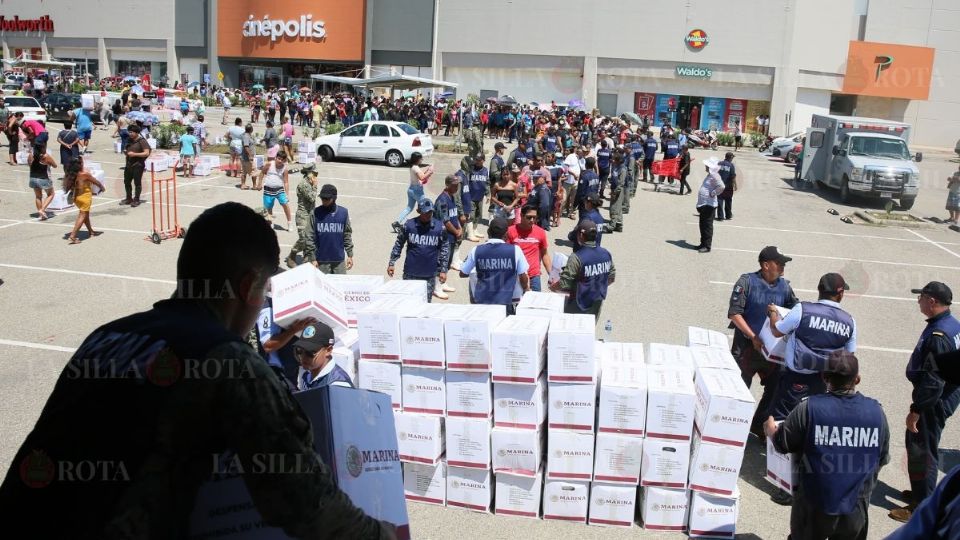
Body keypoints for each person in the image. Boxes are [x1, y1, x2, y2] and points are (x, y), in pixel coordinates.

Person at [0, 202, 396, 539]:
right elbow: (303, 500)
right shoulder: (227, 361)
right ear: (246, 288)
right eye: (263, 293)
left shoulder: (107, 336)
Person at [764, 353, 889, 540]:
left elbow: (783, 444)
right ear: (857, 379)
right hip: (856, 505)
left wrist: (770, 430)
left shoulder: (808, 408)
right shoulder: (876, 412)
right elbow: (881, 458)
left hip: (814, 502)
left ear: (824, 377)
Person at [764, 272, 857, 505]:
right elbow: (849, 356)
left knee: (784, 424)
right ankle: (808, 482)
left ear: (819, 289)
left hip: (796, 376)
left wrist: (774, 313)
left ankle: (786, 487)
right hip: (825, 381)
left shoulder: (802, 310)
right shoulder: (849, 321)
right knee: (813, 429)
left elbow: (777, 331)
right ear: (840, 293)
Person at [890, 281, 960, 523]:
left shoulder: (939, 335)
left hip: (933, 400)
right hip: (946, 396)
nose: (918, 300)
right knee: (923, 446)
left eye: (921, 297)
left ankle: (922, 505)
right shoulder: (951, 324)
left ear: (932, 302)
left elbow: (934, 380)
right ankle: (922, 491)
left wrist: (916, 409)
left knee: (921, 449)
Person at [728, 246, 799, 436]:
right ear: (766, 265)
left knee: (775, 389)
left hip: (773, 352)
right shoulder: (747, 282)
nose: (782, 268)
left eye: (783, 264)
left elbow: (795, 311)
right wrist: (753, 337)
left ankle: (758, 425)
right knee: (738, 388)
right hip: (746, 348)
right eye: (779, 264)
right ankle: (731, 428)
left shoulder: (785, 287)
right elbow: (734, 313)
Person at [459, 216, 529, 313]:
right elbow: (523, 277)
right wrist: (526, 289)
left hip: (482, 304)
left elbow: (462, 273)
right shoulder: (515, 250)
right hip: (505, 303)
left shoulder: (476, 250)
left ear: (488, 232)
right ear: (506, 234)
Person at [388, 197, 450, 302]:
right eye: (426, 212)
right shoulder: (409, 226)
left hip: (429, 275)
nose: (428, 215)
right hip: (410, 273)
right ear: (419, 211)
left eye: (430, 212)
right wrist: (392, 262)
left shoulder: (440, 228)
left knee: (425, 303)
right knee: (408, 302)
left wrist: (443, 270)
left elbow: (445, 249)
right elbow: (399, 244)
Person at [551, 220, 616, 316]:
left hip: (578, 304)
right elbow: (611, 278)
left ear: (581, 235)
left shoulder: (577, 257)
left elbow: (564, 284)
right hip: (597, 302)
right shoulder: (606, 254)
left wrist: (553, 287)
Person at [304, 184, 353, 275]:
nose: (324, 201)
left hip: (339, 261)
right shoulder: (315, 213)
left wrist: (350, 255)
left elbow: (347, 234)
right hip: (321, 261)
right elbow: (309, 236)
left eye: (327, 199)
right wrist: (313, 258)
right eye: (322, 198)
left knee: (340, 286)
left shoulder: (343, 213)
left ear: (334, 198)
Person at [294, 322, 353, 390]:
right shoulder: (308, 374)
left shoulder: (338, 385)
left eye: (310, 352)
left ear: (328, 350)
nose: (303, 357)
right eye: (299, 350)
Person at [507, 205, 552, 292]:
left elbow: (544, 254)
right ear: (521, 216)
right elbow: (506, 254)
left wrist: (551, 274)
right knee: (514, 304)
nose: (532, 220)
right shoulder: (510, 231)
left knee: (534, 304)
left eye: (534, 217)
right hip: (516, 275)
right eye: (529, 217)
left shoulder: (540, 232)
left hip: (534, 275)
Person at [392, 151, 433, 233]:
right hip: (417, 191)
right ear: (417, 159)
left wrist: (427, 172)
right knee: (426, 208)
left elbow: (421, 177)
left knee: (409, 208)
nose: (422, 160)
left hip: (411, 189)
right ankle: (428, 224)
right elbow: (422, 177)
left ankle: (397, 222)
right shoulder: (416, 168)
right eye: (421, 158)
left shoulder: (413, 167)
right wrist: (430, 172)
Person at [436, 175, 464, 296]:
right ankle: (436, 287)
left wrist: (459, 227)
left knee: (447, 262)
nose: (457, 187)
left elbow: (454, 216)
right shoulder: (442, 200)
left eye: (457, 185)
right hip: (444, 236)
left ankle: (442, 283)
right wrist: (456, 231)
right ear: (447, 185)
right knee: (442, 261)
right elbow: (445, 221)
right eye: (454, 185)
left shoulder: (451, 197)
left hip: (452, 236)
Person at [64, 161, 105, 244]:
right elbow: (96, 182)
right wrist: (102, 187)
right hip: (84, 198)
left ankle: (91, 231)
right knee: (82, 216)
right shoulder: (84, 174)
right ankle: (73, 236)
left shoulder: (70, 175)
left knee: (85, 215)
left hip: (76, 198)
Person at [286, 165, 319, 268]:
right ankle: (292, 255)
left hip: (311, 214)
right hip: (303, 215)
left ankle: (307, 258)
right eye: (314, 173)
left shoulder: (309, 182)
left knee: (311, 238)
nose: (315, 175)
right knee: (304, 239)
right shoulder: (304, 184)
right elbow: (312, 198)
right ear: (309, 173)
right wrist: (315, 186)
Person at [694, 157, 725, 253]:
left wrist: (713, 193)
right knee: (702, 225)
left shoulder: (715, 175)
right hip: (705, 204)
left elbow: (722, 186)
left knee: (707, 226)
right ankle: (703, 243)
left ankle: (707, 246)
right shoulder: (711, 175)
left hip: (709, 205)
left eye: (707, 165)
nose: (705, 166)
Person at [259, 150, 293, 230]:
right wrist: (259, 184)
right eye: (278, 158)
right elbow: (262, 173)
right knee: (268, 207)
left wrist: (287, 194)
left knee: (285, 204)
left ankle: (289, 223)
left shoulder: (285, 169)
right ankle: (271, 223)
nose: (280, 161)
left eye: (282, 159)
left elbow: (286, 182)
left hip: (279, 190)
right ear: (276, 158)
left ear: (284, 160)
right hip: (268, 189)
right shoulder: (269, 164)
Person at [121, 124, 150, 207]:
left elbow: (146, 153)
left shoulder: (142, 141)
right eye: (129, 132)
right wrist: (126, 152)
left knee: (137, 183)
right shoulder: (129, 140)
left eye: (131, 132)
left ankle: (136, 199)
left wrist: (135, 154)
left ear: (137, 132)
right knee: (126, 182)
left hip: (138, 165)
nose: (130, 134)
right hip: (128, 164)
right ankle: (128, 198)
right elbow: (127, 149)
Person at [27, 143, 57, 220]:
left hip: (33, 177)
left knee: (38, 196)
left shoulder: (31, 155)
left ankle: (41, 215)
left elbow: (29, 164)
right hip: (43, 177)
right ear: (42, 148)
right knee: (51, 194)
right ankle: (42, 210)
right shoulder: (45, 156)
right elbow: (55, 165)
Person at [464, 153, 490, 240]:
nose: (477, 161)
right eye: (476, 159)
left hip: (480, 197)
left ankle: (474, 230)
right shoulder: (471, 169)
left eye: (479, 160)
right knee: (471, 215)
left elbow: (487, 183)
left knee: (478, 215)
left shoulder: (486, 170)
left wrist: (488, 194)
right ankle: (470, 234)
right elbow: (466, 182)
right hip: (471, 196)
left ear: (483, 160)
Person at [608, 152, 627, 231]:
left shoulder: (622, 169)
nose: (612, 160)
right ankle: (619, 225)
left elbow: (621, 183)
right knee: (618, 208)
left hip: (618, 191)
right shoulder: (616, 167)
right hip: (614, 189)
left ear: (618, 161)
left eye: (614, 159)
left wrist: (615, 192)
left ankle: (611, 226)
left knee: (614, 208)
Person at [562, 146, 583, 218]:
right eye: (580, 150)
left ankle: (570, 213)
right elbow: (565, 167)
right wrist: (573, 174)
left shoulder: (580, 158)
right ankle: (557, 213)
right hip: (568, 181)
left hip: (575, 182)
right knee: (564, 199)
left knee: (572, 199)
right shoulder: (570, 156)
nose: (582, 152)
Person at [716, 152, 737, 220]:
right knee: (728, 200)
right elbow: (733, 176)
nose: (732, 159)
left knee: (719, 200)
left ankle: (720, 216)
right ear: (730, 157)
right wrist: (735, 185)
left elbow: (714, 173)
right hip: (728, 186)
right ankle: (728, 215)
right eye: (732, 157)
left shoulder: (719, 163)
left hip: (719, 185)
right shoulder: (731, 165)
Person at [240, 124, 257, 190]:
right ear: (251, 129)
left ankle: (243, 185)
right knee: (253, 171)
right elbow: (246, 146)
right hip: (247, 158)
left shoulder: (246, 135)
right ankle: (254, 186)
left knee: (244, 172)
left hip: (244, 157)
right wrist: (250, 155)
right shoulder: (246, 136)